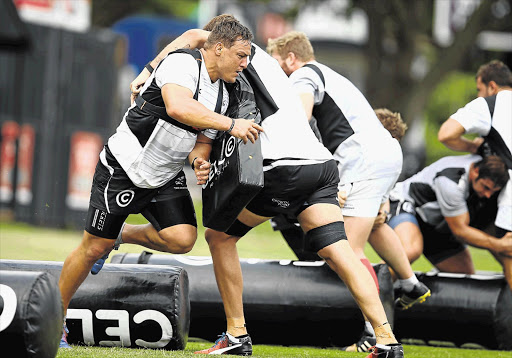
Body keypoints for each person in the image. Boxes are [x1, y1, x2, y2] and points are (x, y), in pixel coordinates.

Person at [129, 15, 404, 357]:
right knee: (341, 251)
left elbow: (191, 35)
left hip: (284, 170)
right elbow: (210, 136)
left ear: (220, 44)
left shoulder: (245, 54)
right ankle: (386, 339)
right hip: (320, 167)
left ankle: (236, 335)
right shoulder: (233, 81)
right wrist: (201, 160)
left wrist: (147, 71)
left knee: (219, 235)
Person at [57, 18, 263, 349]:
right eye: (241, 55)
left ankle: (118, 236)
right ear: (219, 48)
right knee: (92, 246)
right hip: (126, 166)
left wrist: (199, 162)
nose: (245, 63)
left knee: (182, 239)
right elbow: (178, 106)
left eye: (248, 57)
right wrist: (231, 124)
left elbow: (202, 142)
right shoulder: (183, 62)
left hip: (166, 175)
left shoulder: (225, 96)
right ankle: (56, 318)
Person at [267, 31, 427, 353]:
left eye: (276, 65)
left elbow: (300, 119)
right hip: (385, 153)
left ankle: (373, 332)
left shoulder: (304, 74)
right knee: (378, 224)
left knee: (344, 252)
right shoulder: (331, 75)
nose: (275, 74)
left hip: (362, 159)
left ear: (291, 58)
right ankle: (410, 284)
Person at [437, 60, 512, 288]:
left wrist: (475, 147)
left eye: (479, 90)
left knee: (509, 251)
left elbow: (446, 134)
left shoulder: (490, 104)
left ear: (491, 86)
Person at [387, 154, 512, 289]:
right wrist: (498, 245)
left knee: (462, 275)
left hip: (436, 222)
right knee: (410, 250)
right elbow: (460, 232)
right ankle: (369, 292)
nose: (488, 195)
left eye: (493, 191)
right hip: (407, 204)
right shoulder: (451, 182)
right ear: (475, 172)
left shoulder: (488, 168)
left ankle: (415, 299)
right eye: (486, 187)